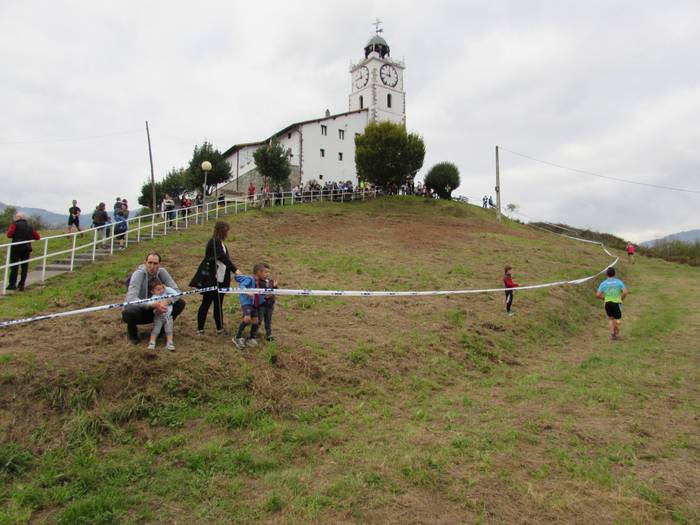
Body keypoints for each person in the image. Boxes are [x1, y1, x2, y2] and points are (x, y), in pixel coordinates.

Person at [122, 252, 186, 344]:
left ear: (159, 264)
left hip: (159, 308)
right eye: (150, 263)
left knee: (180, 303)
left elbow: (177, 292)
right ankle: (132, 333)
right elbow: (131, 299)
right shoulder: (138, 274)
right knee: (130, 311)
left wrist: (167, 301)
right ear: (145, 263)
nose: (152, 266)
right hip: (142, 308)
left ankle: (163, 329)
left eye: (155, 263)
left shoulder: (162, 272)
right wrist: (151, 304)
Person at [196, 221, 240, 335]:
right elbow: (223, 258)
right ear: (220, 231)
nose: (227, 234)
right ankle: (200, 329)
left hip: (221, 280)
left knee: (218, 305)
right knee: (206, 304)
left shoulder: (222, 244)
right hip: (211, 280)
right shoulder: (214, 242)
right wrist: (236, 270)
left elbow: (225, 261)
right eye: (226, 231)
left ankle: (219, 328)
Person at [231, 263, 268, 349]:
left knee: (256, 321)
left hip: (254, 303)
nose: (266, 274)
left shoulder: (258, 281)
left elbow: (258, 293)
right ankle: (237, 337)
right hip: (247, 302)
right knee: (247, 319)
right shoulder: (249, 279)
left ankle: (251, 338)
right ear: (258, 272)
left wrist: (264, 298)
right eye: (264, 272)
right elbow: (242, 285)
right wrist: (247, 292)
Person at [6, 212, 40, 291]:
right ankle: (22, 285)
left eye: (16, 216)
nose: (15, 217)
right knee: (24, 266)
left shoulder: (14, 224)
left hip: (16, 248)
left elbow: (9, 235)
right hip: (27, 248)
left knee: (14, 266)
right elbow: (37, 237)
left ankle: (12, 284)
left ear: (19, 217)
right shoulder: (30, 226)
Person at [596, 267, 628, 341]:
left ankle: (613, 335)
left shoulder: (603, 283)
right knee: (617, 319)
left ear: (606, 274)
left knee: (611, 318)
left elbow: (597, 295)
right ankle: (616, 332)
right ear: (615, 273)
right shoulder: (619, 282)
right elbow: (625, 292)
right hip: (616, 303)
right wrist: (621, 298)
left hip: (607, 303)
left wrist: (604, 298)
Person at [146, 279, 177, 351]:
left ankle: (170, 343)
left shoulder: (166, 294)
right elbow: (149, 304)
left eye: (162, 288)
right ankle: (152, 342)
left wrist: (166, 288)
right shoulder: (153, 298)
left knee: (169, 330)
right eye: (158, 289)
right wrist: (156, 305)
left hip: (168, 317)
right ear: (152, 291)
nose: (161, 291)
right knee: (156, 330)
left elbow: (175, 293)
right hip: (158, 317)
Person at [258, 263, 278, 341]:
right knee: (259, 320)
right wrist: (264, 296)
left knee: (268, 320)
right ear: (260, 272)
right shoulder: (258, 282)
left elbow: (275, 291)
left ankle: (268, 334)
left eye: (268, 272)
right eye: (265, 272)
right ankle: (254, 333)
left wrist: (275, 286)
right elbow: (257, 293)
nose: (267, 274)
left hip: (270, 304)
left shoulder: (271, 281)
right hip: (261, 305)